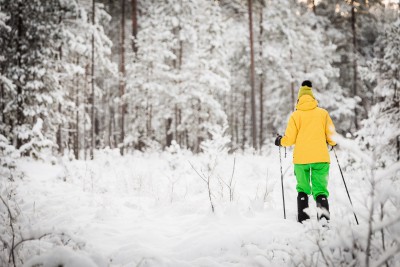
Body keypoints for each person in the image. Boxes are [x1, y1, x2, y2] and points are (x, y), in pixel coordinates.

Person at [275, 80, 336, 223]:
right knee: (320, 189)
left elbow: (289, 140)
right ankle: (323, 219)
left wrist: (280, 141)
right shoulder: (323, 114)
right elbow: (332, 136)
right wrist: (333, 143)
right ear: (313, 98)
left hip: (301, 160)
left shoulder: (295, 116)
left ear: (299, 99)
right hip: (321, 158)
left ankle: (303, 219)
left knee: (302, 188)